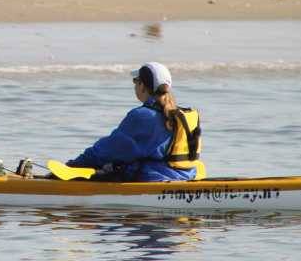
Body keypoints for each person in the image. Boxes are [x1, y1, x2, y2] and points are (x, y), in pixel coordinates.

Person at [63, 62, 202, 182]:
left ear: (142, 86)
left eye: (136, 81)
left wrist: (76, 164)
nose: (135, 86)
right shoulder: (182, 115)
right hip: (186, 176)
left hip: (154, 179)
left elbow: (110, 149)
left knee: (111, 167)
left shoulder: (143, 116)